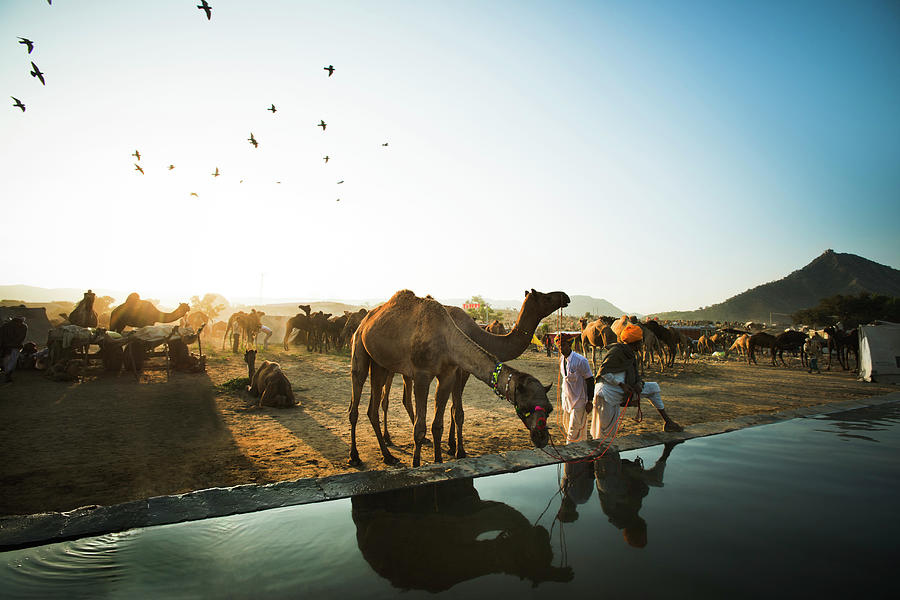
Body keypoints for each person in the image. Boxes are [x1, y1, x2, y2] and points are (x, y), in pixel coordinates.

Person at [591, 323, 683, 440]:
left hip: (619, 390)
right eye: (640, 341)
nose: (642, 344)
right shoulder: (617, 351)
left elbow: (636, 375)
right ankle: (602, 455)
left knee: (653, 388)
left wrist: (639, 384)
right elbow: (603, 372)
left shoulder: (630, 354)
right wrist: (621, 385)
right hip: (607, 393)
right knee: (605, 433)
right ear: (635, 343)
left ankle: (668, 422)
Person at [594, 440, 682, 548]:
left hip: (611, 479)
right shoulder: (632, 516)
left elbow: (627, 496)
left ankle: (608, 455)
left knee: (649, 483)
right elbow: (637, 492)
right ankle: (668, 449)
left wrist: (637, 484)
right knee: (656, 481)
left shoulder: (620, 519)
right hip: (619, 479)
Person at [558, 334, 594, 443]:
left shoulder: (581, 361)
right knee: (570, 428)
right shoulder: (561, 360)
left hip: (579, 402)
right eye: (559, 346)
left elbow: (590, 380)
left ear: (570, 345)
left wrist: (590, 401)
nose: (561, 348)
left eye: (563, 345)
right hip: (567, 402)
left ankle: (569, 457)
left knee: (573, 432)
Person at [1, 316, 28, 383]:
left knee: (6, 360)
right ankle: (8, 374)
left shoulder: (5, 326)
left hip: (6, 346)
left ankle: (7, 374)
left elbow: (1, 336)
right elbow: (21, 338)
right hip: (15, 346)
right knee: (12, 361)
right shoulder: (23, 327)